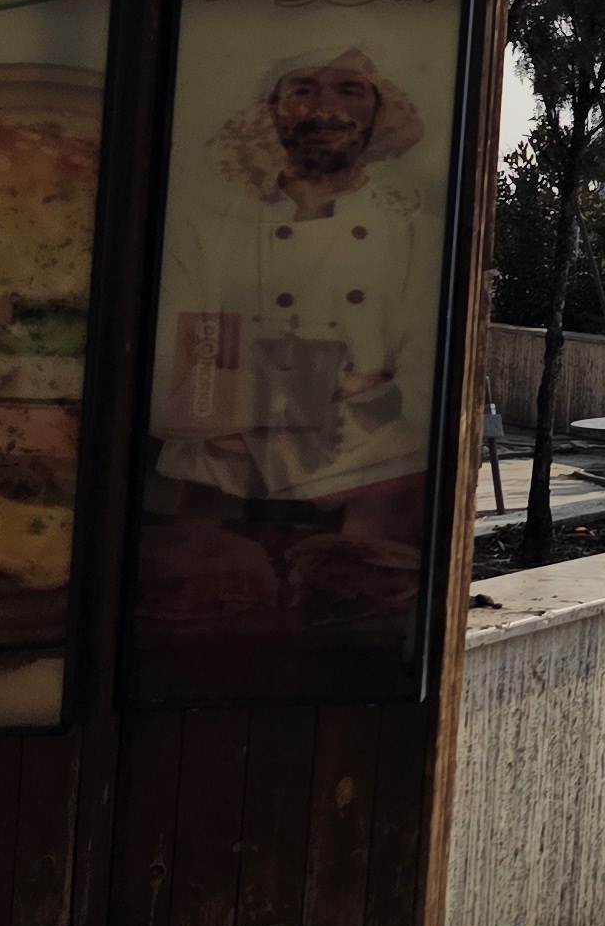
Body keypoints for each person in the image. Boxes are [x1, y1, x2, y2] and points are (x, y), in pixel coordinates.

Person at [141, 45, 440, 632]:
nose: (324, 107)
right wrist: (343, 386)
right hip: (213, 515)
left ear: (382, 113)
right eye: (302, 88)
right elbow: (172, 392)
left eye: (349, 90)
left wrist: (235, 411)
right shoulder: (207, 236)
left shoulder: (419, 240)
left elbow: (424, 397)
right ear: (270, 110)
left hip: (369, 519)